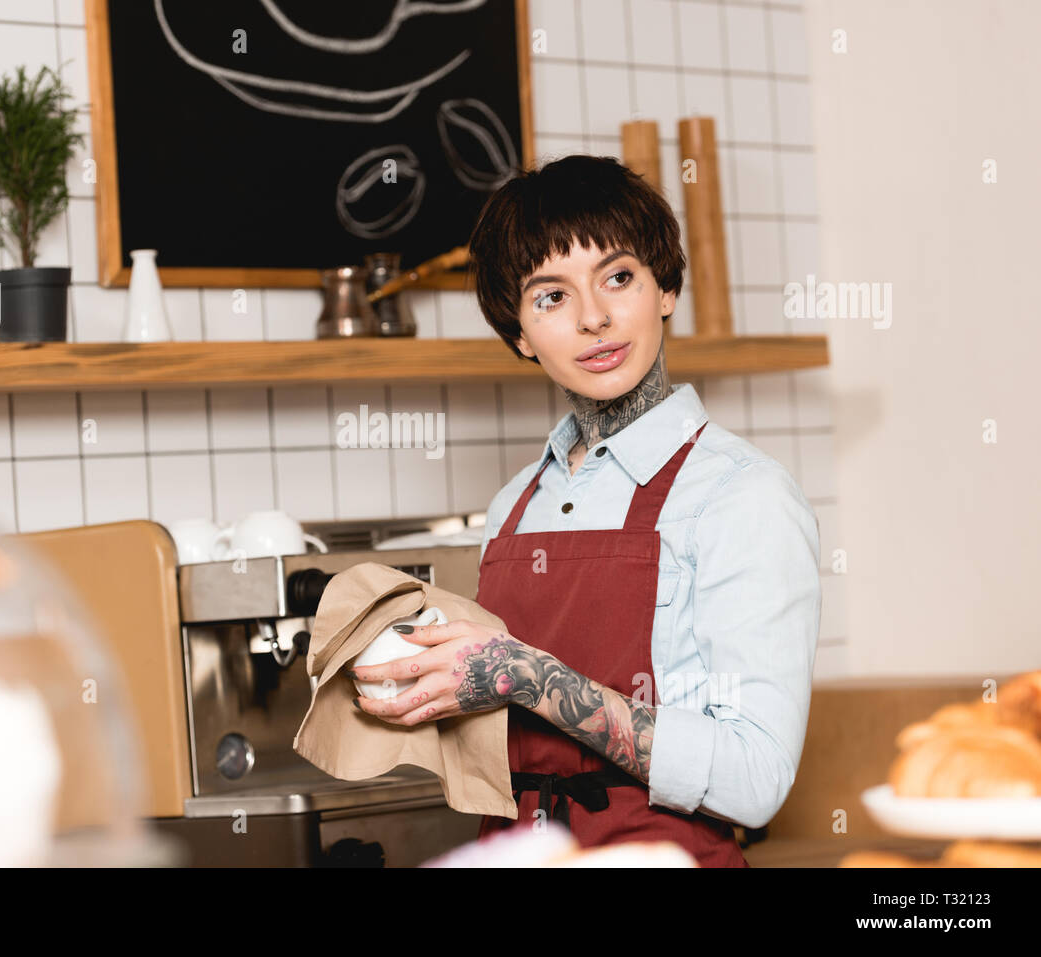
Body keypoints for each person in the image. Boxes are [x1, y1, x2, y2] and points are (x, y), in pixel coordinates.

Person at [348, 154, 821, 867]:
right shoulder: (514, 505)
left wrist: (529, 675)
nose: (595, 317)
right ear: (519, 334)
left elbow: (756, 782)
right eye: (552, 297)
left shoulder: (740, 494)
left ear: (664, 287)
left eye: (619, 277)